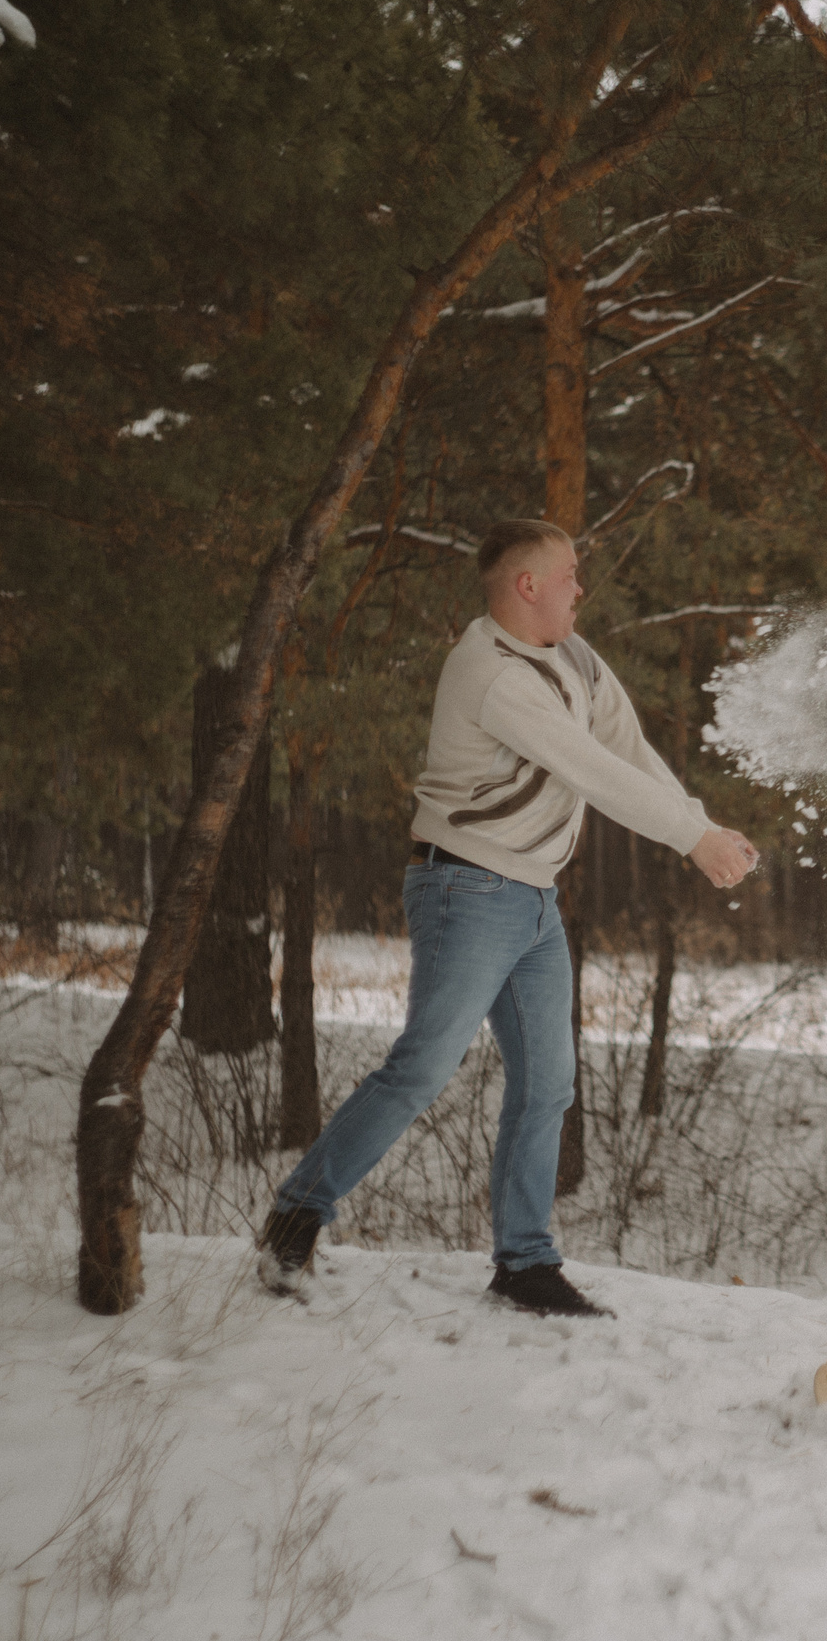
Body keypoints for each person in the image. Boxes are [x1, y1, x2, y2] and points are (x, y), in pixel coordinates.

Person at [254, 520, 758, 1316]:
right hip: (468, 893)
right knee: (422, 1068)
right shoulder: (489, 673)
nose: (579, 588)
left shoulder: (578, 659)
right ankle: (297, 1212)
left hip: (533, 901)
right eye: (568, 574)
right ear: (527, 585)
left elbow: (629, 751)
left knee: (548, 1084)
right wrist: (692, 839)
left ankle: (523, 1263)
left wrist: (702, 823)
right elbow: (588, 767)